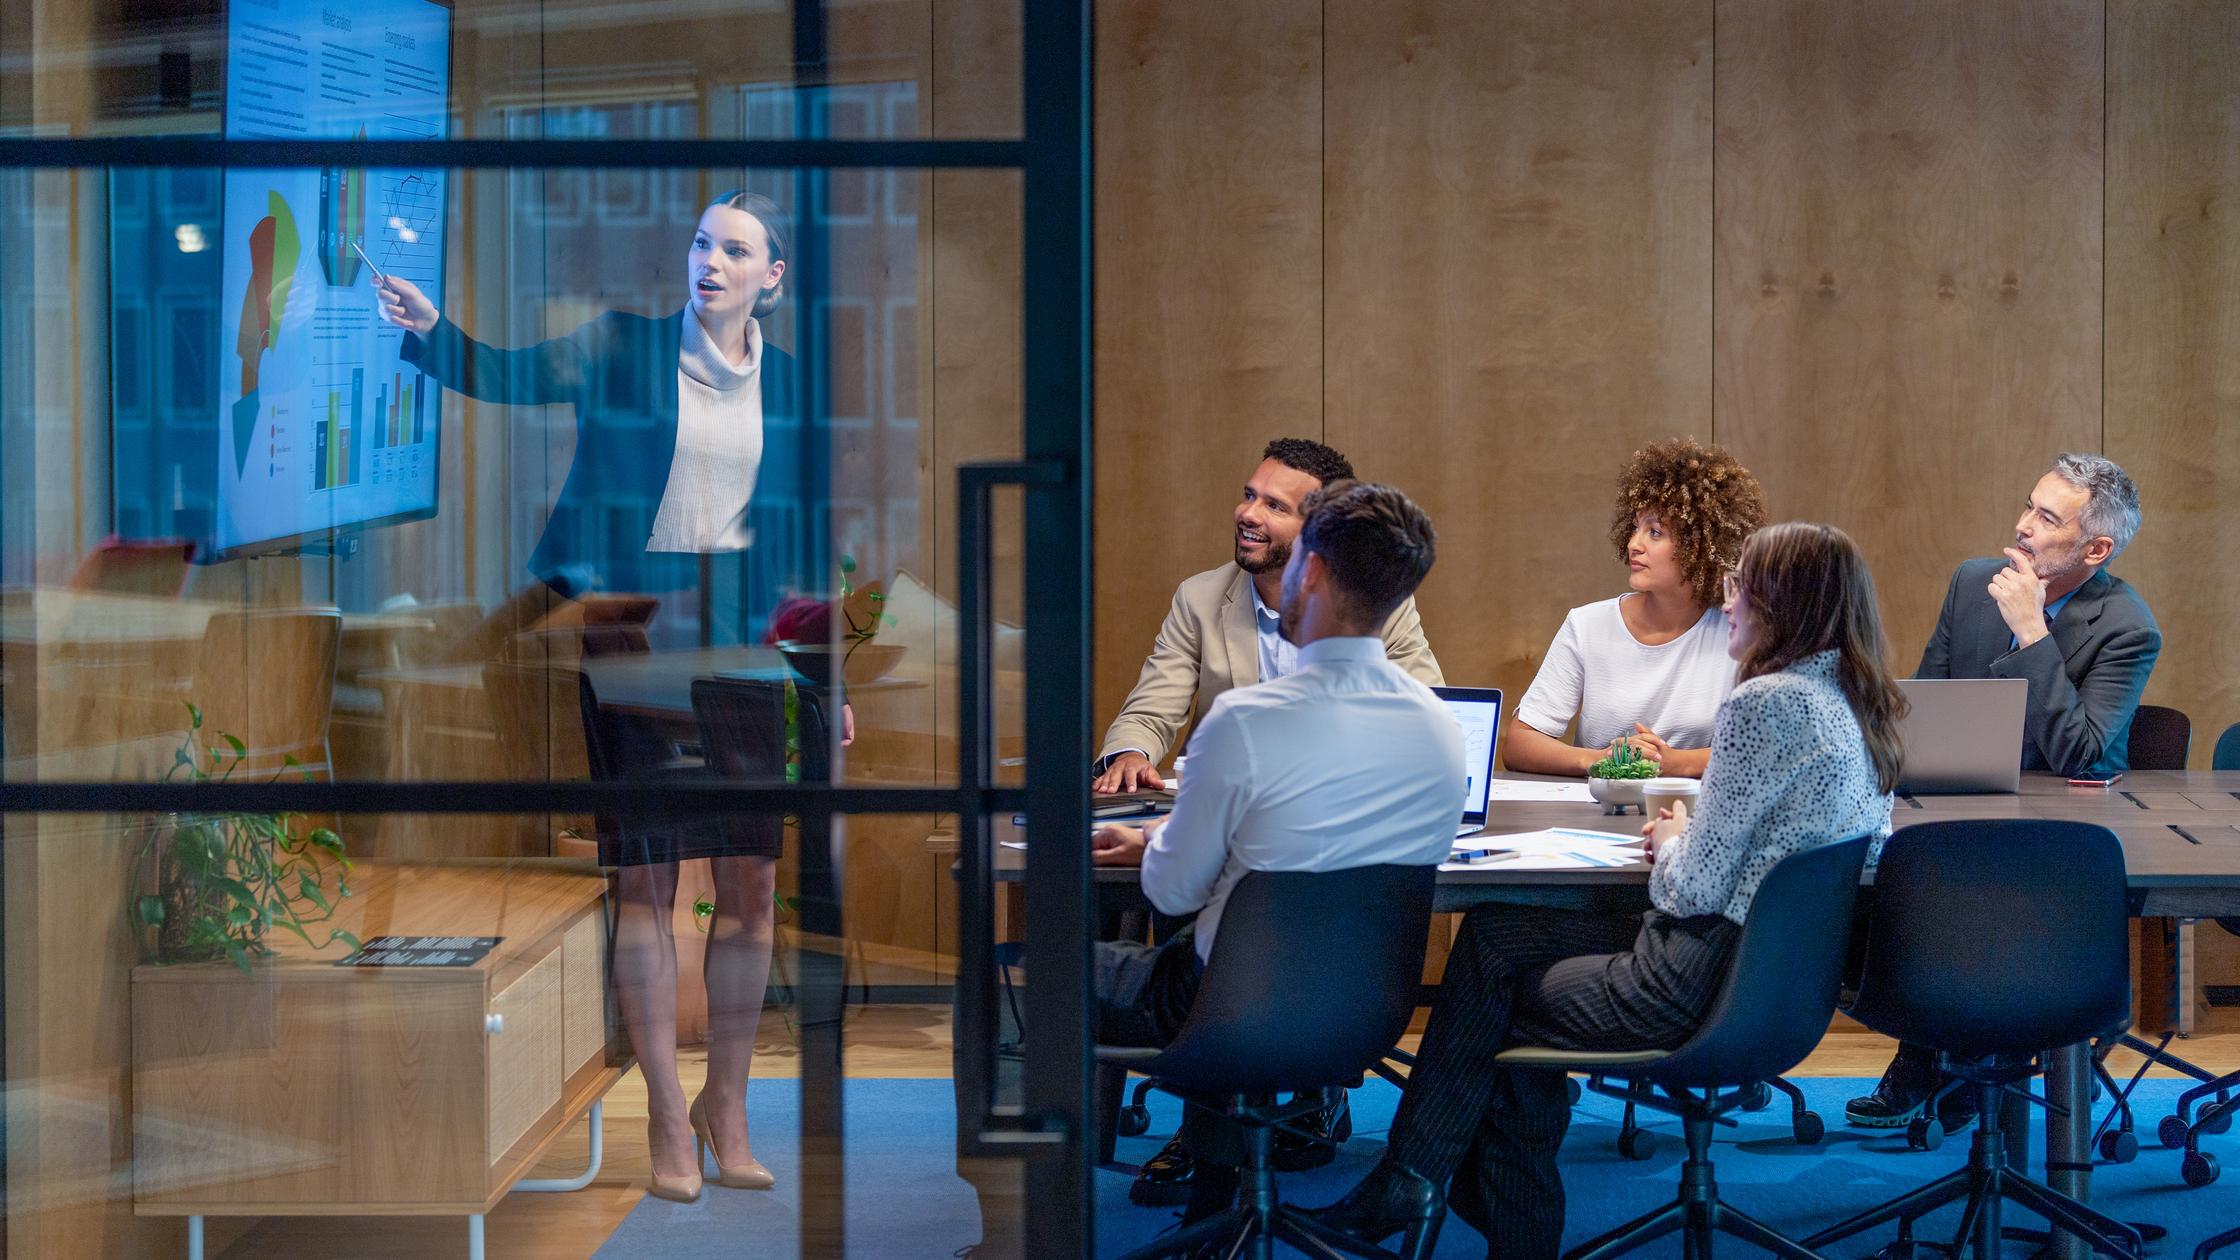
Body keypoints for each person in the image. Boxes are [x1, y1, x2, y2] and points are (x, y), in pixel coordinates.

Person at [378, 190, 846, 1203]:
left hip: (738, 648)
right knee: (648, 883)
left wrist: (827, 682)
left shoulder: (796, 386)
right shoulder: (622, 347)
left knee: (753, 888)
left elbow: (808, 548)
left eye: (734, 250)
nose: (708, 262)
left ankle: (729, 1104)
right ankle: (667, 1117)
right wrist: (433, 334)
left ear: (772, 277)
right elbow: (513, 375)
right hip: (630, 636)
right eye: (699, 243)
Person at [1310, 521, 1903, 1259]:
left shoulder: (1768, 705)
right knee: (1496, 933)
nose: (1730, 597)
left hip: (1693, 979)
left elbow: (1691, 890)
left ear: (1781, 602)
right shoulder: (1852, 702)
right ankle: (1423, 1185)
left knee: (1492, 998)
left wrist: (1673, 837)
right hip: (1774, 978)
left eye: (1739, 582)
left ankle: (1448, 1200)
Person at [1088, 480, 1465, 1231]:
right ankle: (1219, 1202)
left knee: (1016, 975)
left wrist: (1171, 841)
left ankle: (1018, 1225)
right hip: (1368, 1016)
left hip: (1221, 1006)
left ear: (1312, 572)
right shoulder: (1442, 729)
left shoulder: (1244, 722)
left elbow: (1170, 891)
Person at [1847, 452, 2160, 1132]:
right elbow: (1921, 711)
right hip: (1949, 814)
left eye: (2046, 519)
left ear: (2095, 547)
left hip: (2051, 840)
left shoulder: (2127, 628)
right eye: (2028, 506)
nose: (2021, 527)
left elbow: (2086, 755)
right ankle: (1938, 1049)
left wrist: (2032, 632)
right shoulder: (1971, 584)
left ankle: (1952, 1062)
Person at [1093, 438, 1443, 796]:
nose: (1247, 513)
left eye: (1275, 506)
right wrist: (1129, 755)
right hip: (1222, 798)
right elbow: (1150, 711)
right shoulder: (1199, 598)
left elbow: (1430, 707)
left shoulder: (1375, 599)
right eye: (1249, 495)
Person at [1504, 438, 1766, 778]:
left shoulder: (1737, 632)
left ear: (1703, 546)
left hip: (1693, 816)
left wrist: (1674, 763)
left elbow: (1765, 751)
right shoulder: (1587, 625)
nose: (1633, 544)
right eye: (1635, 528)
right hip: (1595, 815)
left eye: (1655, 532)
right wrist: (1601, 760)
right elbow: (1520, 743)